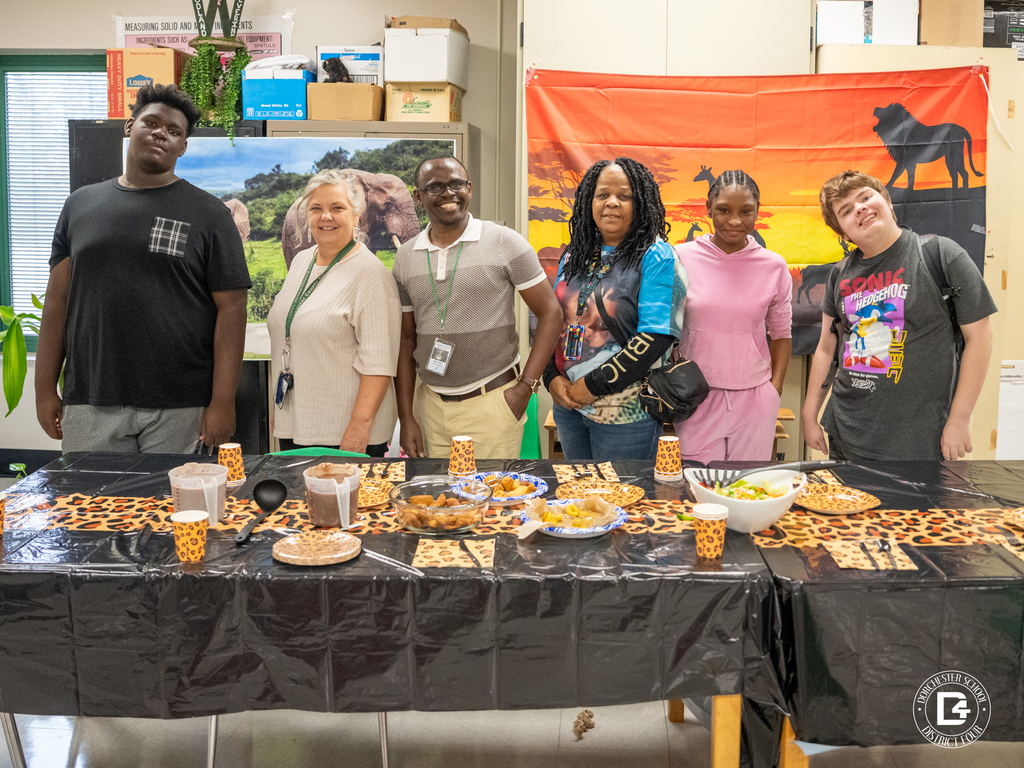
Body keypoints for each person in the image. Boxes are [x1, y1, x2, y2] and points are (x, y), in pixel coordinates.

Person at [35, 84, 250, 454]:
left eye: (174, 131)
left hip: (181, 404)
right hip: (90, 398)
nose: (160, 133)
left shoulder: (210, 214)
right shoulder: (80, 206)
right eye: (151, 122)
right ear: (129, 126)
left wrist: (222, 403)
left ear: (182, 147)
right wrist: (43, 392)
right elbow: (57, 302)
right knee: (93, 509)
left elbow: (232, 311)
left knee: (178, 509)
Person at [802, 170, 996, 461]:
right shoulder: (839, 275)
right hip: (845, 432)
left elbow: (980, 337)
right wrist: (809, 415)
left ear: (888, 202)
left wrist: (960, 418)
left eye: (866, 197)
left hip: (919, 439)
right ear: (843, 232)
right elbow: (826, 348)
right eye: (846, 210)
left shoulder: (940, 255)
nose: (860, 208)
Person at [393, 157, 562, 459]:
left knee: (493, 502)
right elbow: (407, 340)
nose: (449, 193)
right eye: (436, 187)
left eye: (457, 184)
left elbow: (551, 313)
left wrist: (525, 389)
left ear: (469, 189)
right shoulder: (405, 257)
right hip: (430, 405)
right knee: (439, 503)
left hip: (493, 401)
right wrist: (407, 417)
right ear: (418, 196)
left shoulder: (504, 242)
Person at [543, 157, 686, 460]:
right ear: (588, 202)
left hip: (624, 413)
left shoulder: (657, 256)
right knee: (580, 499)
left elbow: (656, 338)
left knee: (622, 498)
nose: (612, 203)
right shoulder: (576, 252)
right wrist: (551, 376)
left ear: (641, 203)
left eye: (624, 196)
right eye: (603, 195)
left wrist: (593, 386)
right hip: (568, 406)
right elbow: (555, 320)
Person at [267, 169, 401, 457]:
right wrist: (284, 415)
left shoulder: (371, 275)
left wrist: (358, 428)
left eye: (337, 208)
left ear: (357, 216)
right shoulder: (303, 261)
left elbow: (379, 365)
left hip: (344, 434)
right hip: (297, 423)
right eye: (316, 209)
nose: (325, 217)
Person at [673, 170, 792, 462]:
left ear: (757, 212)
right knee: (695, 489)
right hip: (695, 398)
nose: (735, 221)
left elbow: (782, 334)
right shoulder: (680, 257)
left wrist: (772, 392)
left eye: (746, 211)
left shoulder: (774, 266)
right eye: (724, 210)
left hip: (754, 400)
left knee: (748, 491)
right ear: (709, 209)